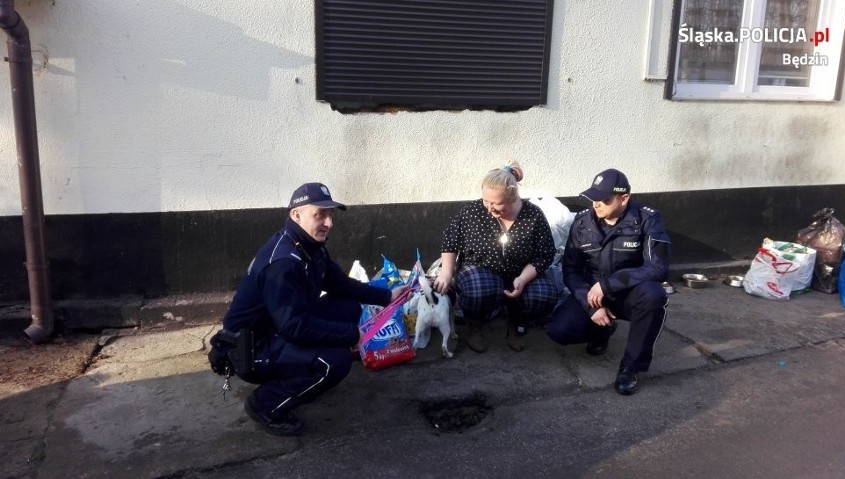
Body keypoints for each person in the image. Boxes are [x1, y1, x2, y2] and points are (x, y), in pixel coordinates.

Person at [213, 182, 408, 436]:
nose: (329, 223)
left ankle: (302, 375)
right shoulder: (283, 262)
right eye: (320, 215)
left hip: (278, 329)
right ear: (297, 215)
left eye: (331, 215)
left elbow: (339, 285)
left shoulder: (308, 246)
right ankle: (265, 404)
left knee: (348, 308)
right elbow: (294, 327)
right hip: (251, 350)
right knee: (334, 362)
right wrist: (351, 336)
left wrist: (387, 296)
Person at [547, 168, 671, 395]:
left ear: (624, 199)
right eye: (593, 197)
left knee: (655, 297)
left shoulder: (647, 218)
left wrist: (610, 284)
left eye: (604, 199)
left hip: (630, 291)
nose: (597, 204)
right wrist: (589, 304)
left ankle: (630, 367)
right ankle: (602, 331)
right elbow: (571, 270)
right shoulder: (583, 222)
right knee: (559, 331)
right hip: (593, 292)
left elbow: (658, 267)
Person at [433, 162, 559, 353]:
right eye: (486, 201)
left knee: (543, 295)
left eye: (497, 204)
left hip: (520, 271)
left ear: (513, 198)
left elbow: (544, 254)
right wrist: (446, 274)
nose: (490, 208)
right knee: (478, 289)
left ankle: (517, 324)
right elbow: (451, 241)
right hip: (481, 268)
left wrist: (523, 279)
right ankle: (475, 325)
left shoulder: (533, 215)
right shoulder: (472, 212)